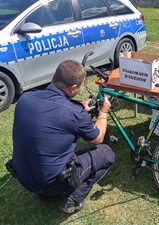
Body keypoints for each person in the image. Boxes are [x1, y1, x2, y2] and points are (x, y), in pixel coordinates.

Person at [11, 59, 115, 214]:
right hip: (52, 182)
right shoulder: (73, 112)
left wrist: (77, 108)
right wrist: (104, 112)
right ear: (73, 88)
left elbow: (51, 114)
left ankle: (43, 195)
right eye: (80, 86)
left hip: (23, 178)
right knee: (107, 153)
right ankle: (73, 199)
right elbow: (98, 138)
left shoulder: (25, 98)